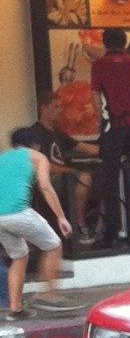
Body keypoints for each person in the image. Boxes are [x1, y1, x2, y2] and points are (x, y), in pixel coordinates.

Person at [0, 129, 73, 321]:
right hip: (19, 212)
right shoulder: (38, 157)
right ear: (36, 144)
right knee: (54, 245)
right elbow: (46, 187)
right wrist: (61, 217)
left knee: (19, 256)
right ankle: (48, 295)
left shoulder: (2, 158)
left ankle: (15, 309)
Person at [90, 27, 130, 248]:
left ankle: (111, 232)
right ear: (124, 43)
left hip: (113, 126)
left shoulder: (99, 66)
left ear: (105, 43)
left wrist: (102, 121)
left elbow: (96, 98)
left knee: (110, 181)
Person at [25, 89, 99, 243]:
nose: (61, 111)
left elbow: (86, 148)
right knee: (83, 178)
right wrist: (70, 170)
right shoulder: (35, 133)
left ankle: (101, 229)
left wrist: (114, 149)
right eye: (56, 107)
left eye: (61, 107)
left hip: (64, 178)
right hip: (45, 182)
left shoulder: (59, 134)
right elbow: (41, 166)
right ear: (44, 108)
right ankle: (79, 225)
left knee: (107, 180)